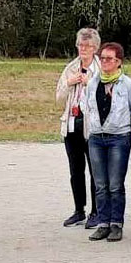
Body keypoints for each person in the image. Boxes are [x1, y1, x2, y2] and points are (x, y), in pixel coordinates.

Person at [83, 42, 131, 243]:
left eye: (110, 59)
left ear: (119, 62)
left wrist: (123, 130)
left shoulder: (129, 85)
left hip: (118, 138)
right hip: (96, 138)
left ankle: (116, 223)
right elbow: (86, 107)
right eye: (103, 58)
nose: (105, 62)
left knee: (115, 184)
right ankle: (103, 223)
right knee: (100, 184)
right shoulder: (92, 83)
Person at [56, 27, 101, 227]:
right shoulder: (70, 67)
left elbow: (103, 96)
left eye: (87, 45)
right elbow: (58, 98)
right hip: (72, 125)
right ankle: (78, 210)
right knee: (76, 170)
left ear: (95, 48)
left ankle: (96, 211)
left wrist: (89, 82)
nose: (83, 49)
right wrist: (69, 82)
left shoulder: (100, 69)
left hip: (91, 128)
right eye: (80, 45)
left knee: (95, 171)